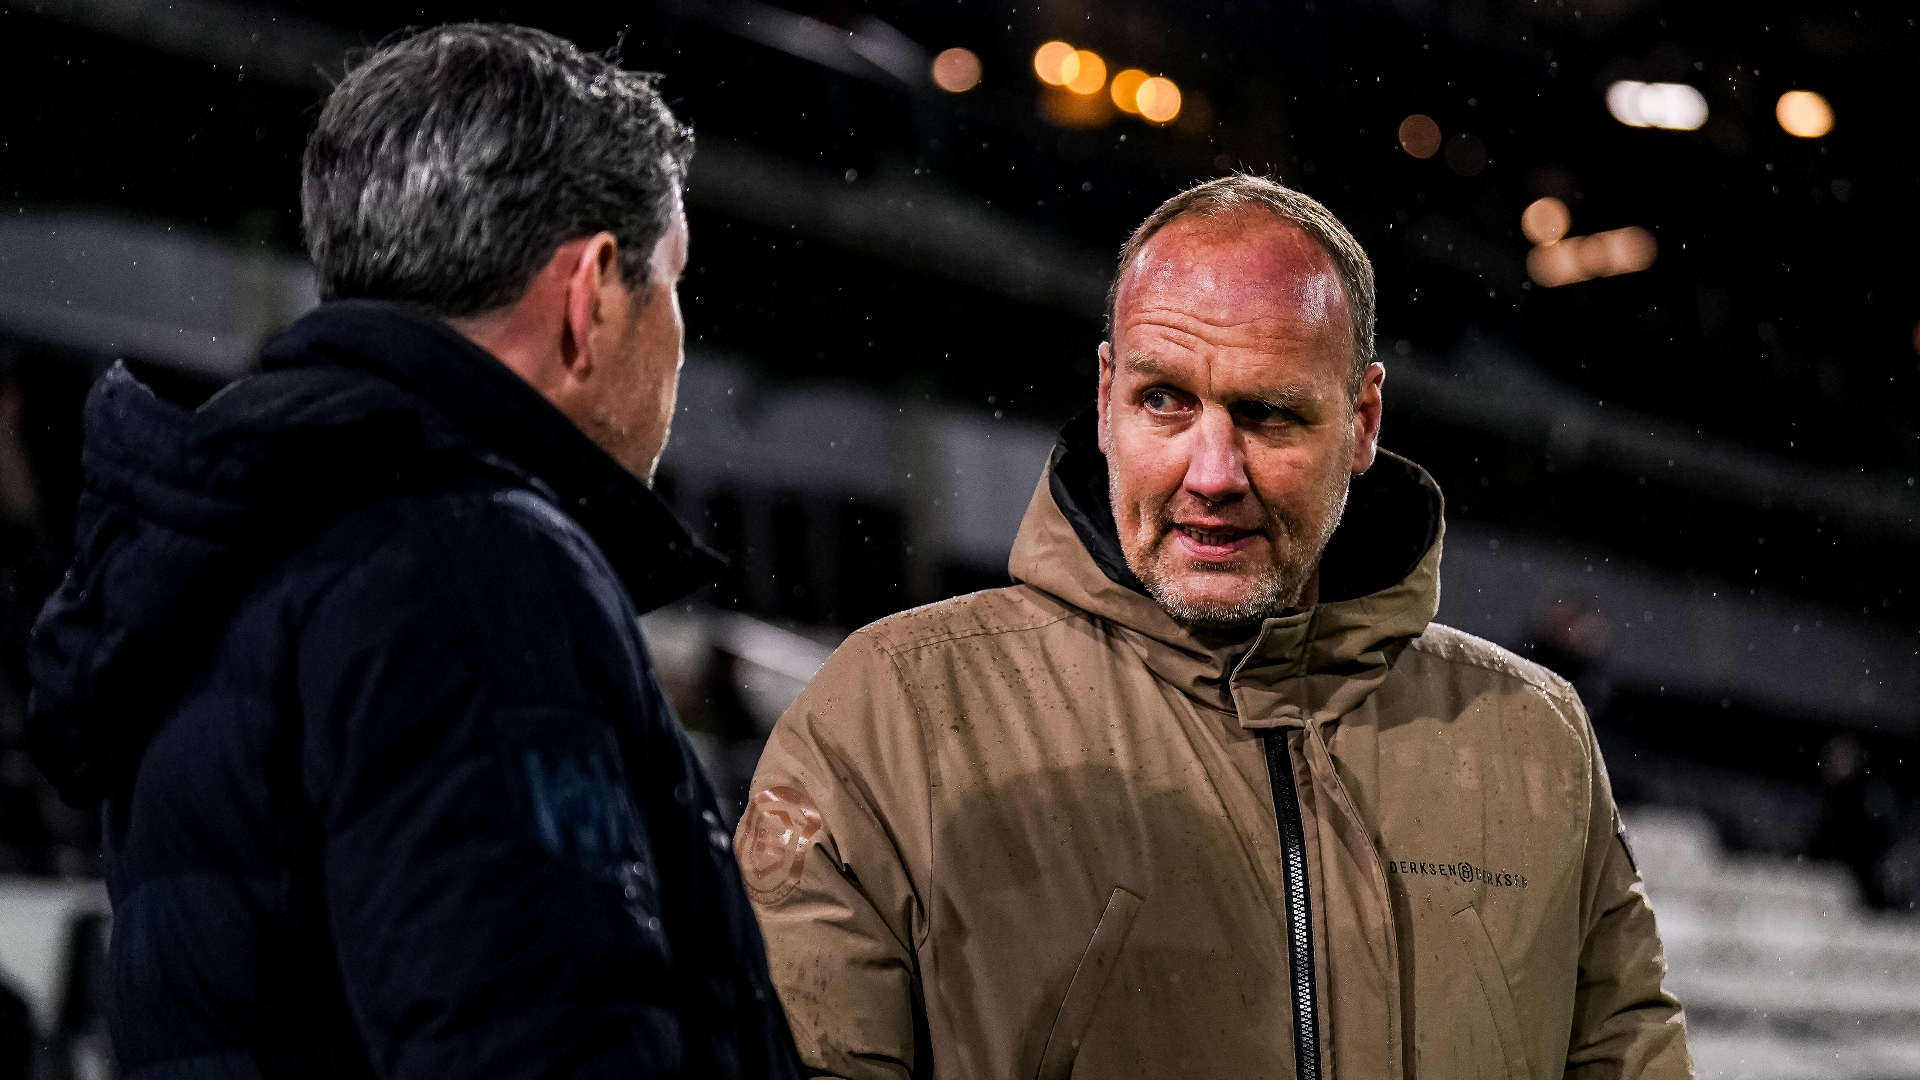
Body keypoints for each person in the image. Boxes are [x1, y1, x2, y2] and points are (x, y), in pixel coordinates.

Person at [739, 175, 1693, 1079]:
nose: (1212, 473)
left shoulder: (1534, 741)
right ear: (1106, 398)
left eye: (1268, 414)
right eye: (1164, 400)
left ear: (1362, 421)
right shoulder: (889, 719)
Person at [28, 24, 802, 1078]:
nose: (675, 337)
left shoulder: (246, 555)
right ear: (588, 295)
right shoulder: (478, 566)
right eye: (670, 283)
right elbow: (545, 1044)